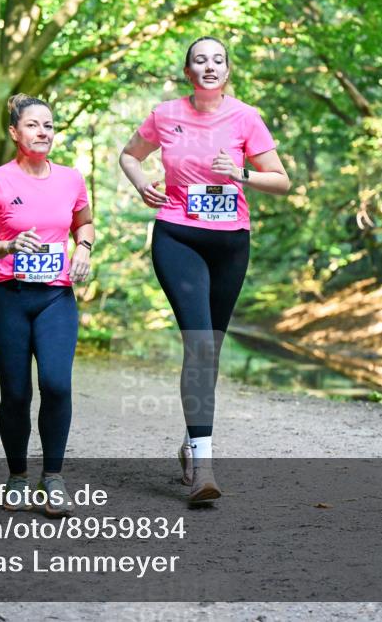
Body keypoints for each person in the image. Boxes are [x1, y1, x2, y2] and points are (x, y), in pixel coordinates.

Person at [118, 36, 291, 504]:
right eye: (200, 59)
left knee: (208, 350)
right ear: (188, 71)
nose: (209, 66)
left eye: (217, 59)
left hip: (231, 243)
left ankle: (192, 442)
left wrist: (241, 175)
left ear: (227, 70)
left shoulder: (246, 117)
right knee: (197, 342)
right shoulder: (165, 114)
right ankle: (205, 467)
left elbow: (282, 181)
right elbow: (130, 155)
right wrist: (141, 187)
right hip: (178, 236)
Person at [0, 94, 94, 517]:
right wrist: (7, 243)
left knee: (56, 384)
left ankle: (53, 477)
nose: (43, 132)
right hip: (9, 298)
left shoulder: (71, 179)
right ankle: (18, 477)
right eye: (34, 125)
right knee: (16, 394)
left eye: (49, 126)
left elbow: (84, 222)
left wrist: (85, 249)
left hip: (56, 297)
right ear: (14, 132)